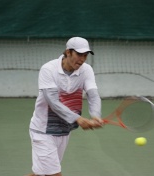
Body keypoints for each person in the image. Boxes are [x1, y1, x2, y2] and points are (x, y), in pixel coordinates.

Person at [26, 37, 103, 176]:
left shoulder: (86, 70)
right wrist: (77, 119)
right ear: (68, 52)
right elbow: (53, 102)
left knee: (40, 174)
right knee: (54, 174)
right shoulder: (48, 69)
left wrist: (95, 115)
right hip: (43, 131)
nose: (82, 59)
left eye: (85, 55)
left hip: (64, 131)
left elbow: (93, 94)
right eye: (79, 54)